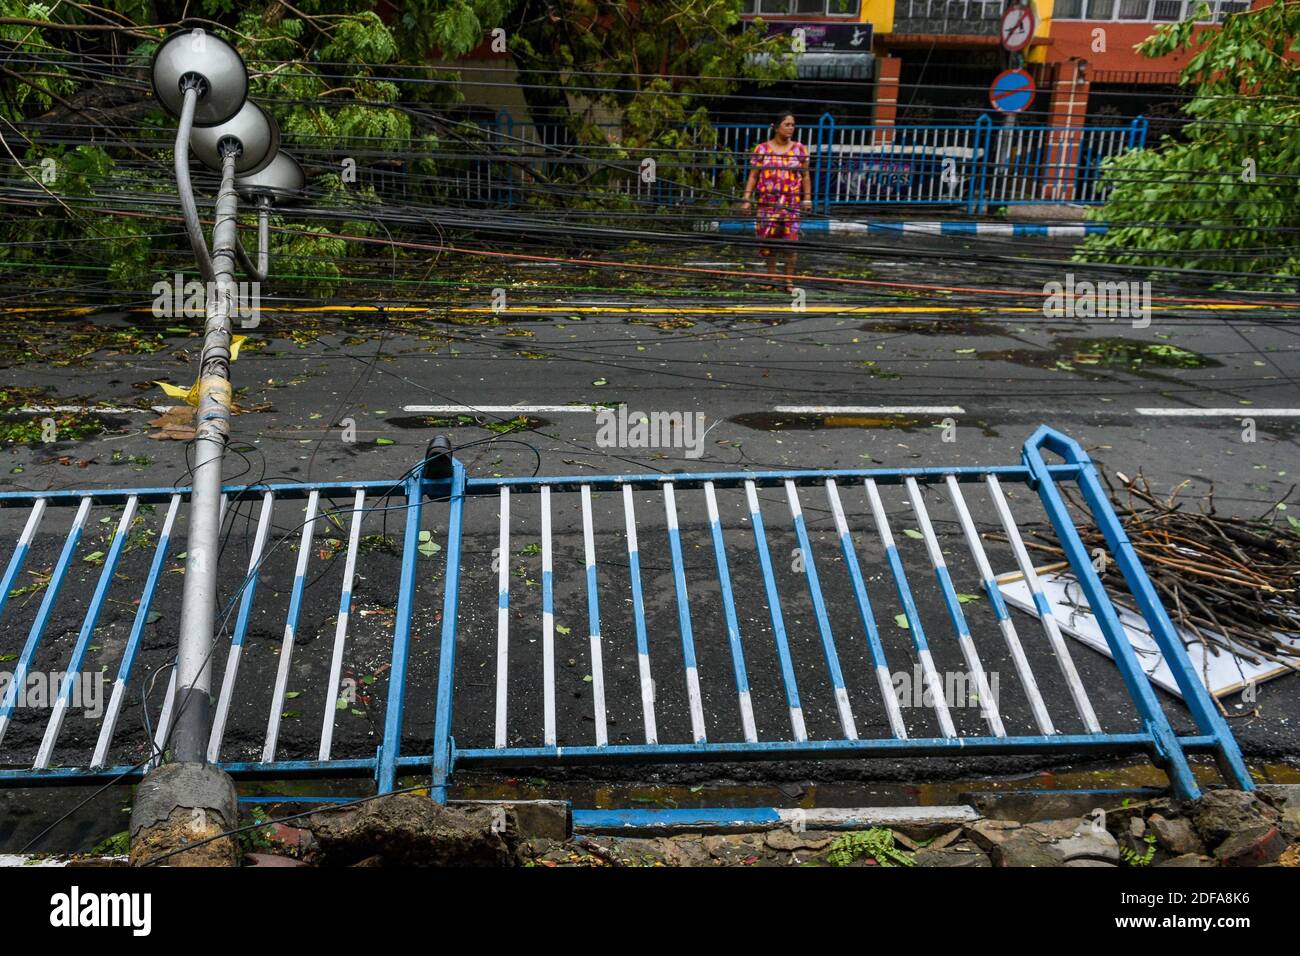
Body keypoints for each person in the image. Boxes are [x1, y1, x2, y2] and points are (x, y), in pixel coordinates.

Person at [741, 111, 812, 292]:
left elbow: (805, 176)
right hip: (767, 202)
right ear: (776, 126)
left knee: (790, 242)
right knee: (767, 241)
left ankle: (788, 280)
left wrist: (807, 198)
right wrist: (747, 198)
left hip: (791, 202)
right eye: (787, 124)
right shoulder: (762, 149)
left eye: (793, 125)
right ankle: (771, 278)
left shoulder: (799, 149)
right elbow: (754, 175)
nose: (791, 128)